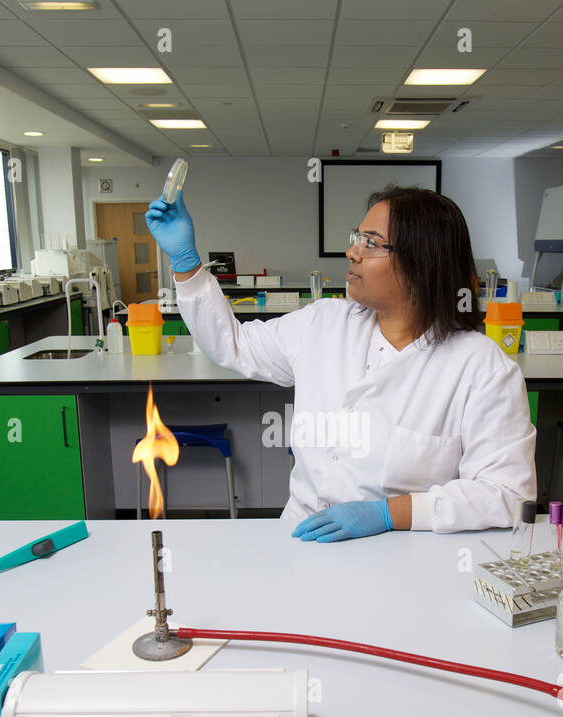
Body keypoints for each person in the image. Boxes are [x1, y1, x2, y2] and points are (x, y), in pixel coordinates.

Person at [144, 185, 536, 542]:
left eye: (372, 242)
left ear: (422, 263)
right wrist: (187, 263)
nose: (353, 252)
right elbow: (233, 345)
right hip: (300, 538)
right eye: (357, 238)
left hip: (404, 557)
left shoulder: (481, 368)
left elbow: (508, 495)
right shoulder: (325, 323)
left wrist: (389, 513)